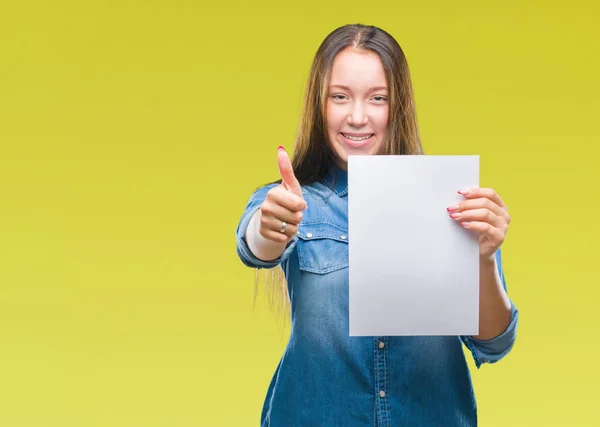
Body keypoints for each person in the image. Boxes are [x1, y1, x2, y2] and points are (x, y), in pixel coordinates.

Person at [235, 24, 518, 427]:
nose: (357, 116)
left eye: (377, 98)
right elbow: (254, 244)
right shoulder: (292, 199)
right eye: (339, 97)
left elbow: (493, 342)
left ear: (397, 104)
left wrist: (484, 260)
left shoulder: (450, 201)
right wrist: (270, 227)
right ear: (320, 104)